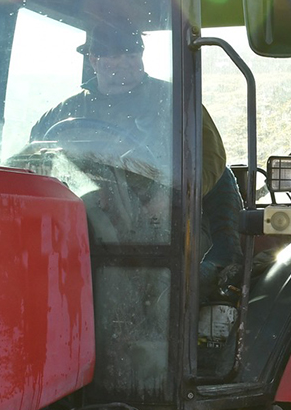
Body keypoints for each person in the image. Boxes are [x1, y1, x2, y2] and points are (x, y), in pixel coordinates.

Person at [31, 21, 241, 293]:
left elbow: (211, 159)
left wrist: (171, 198)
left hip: (164, 218)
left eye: (133, 55)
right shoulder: (65, 112)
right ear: (94, 59)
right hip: (91, 215)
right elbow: (32, 157)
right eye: (116, 56)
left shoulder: (177, 101)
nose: (127, 64)